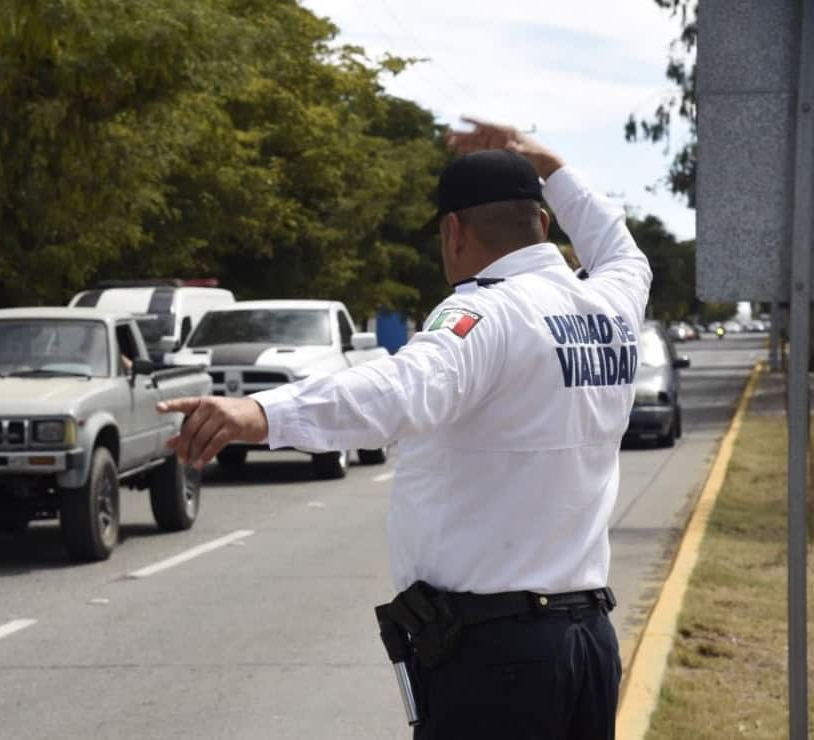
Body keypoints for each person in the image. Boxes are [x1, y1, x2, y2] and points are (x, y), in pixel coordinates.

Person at [157, 118, 650, 739]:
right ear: (544, 226)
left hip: (497, 661)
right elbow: (622, 248)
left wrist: (262, 414)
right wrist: (549, 163)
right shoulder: (613, 307)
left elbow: (398, 388)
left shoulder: (485, 311)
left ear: (453, 231)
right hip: (589, 647)